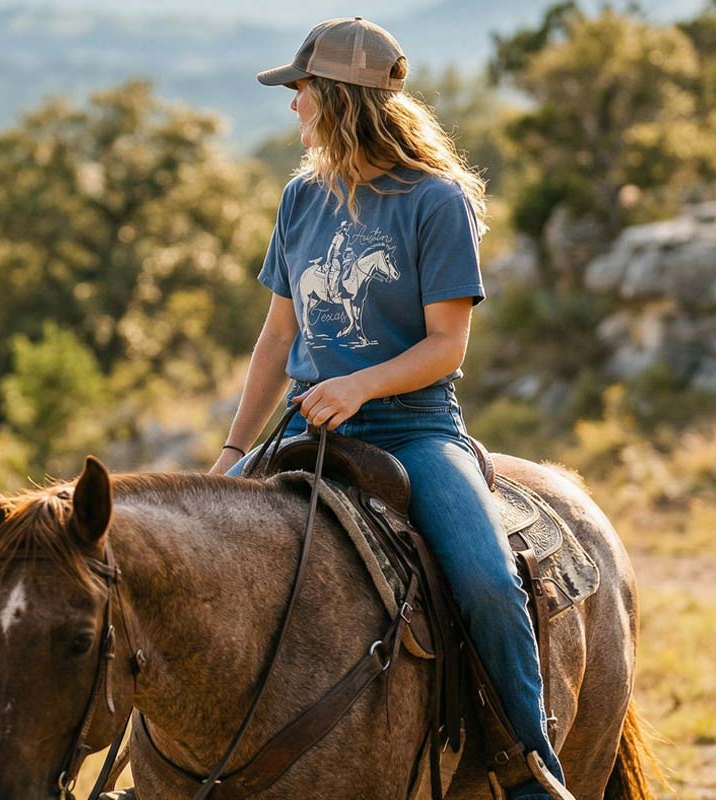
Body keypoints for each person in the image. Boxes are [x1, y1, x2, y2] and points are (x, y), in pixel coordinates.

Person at [210, 17, 568, 800]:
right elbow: (277, 338)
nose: (292, 106)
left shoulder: (433, 202)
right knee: (201, 573)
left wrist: (360, 385)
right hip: (304, 429)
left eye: (300, 91)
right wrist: (232, 452)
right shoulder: (300, 198)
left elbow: (446, 347)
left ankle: (530, 768)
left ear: (336, 99)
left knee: (484, 582)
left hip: (413, 432)